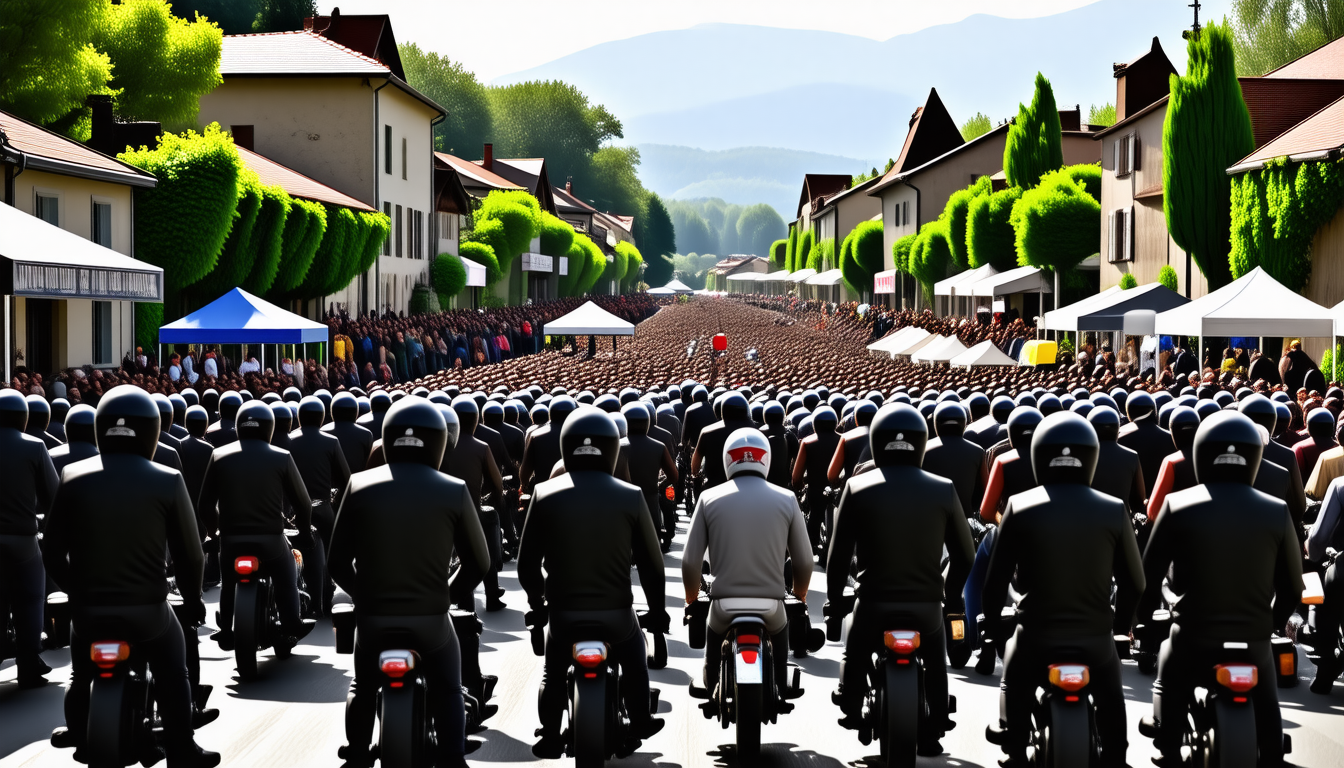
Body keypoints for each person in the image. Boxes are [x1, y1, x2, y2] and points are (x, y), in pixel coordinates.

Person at [42, 386, 219, 766]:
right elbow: (191, 555)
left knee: (79, 676)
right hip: (149, 613)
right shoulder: (168, 479)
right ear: (153, 431)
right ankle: (182, 749)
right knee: (174, 674)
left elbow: (51, 551)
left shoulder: (72, 476)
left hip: (89, 613)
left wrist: (78, 590)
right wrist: (191, 600)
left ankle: (77, 731)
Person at [328, 398, 490, 768]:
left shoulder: (359, 485)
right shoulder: (454, 489)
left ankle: (356, 756)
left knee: (362, 687)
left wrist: (365, 595)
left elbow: (336, 562)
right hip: (431, 621)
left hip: (373, 621)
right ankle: (452, 759)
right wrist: (445, 593)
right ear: (438, 442)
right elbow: (480, 562)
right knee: (450, 689)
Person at [1139, 412, 1302, 766]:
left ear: (1200, 454)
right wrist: (1270, 624)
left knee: (1169, 660)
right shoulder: (1277, 510)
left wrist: (1144, 619)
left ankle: (1167, 744)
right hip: (1254, 640)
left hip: (1192, 637)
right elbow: (1293, 586)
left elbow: (1148, 575)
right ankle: (1271, 750)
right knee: (1268, 701)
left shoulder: (1177, 505)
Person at [983, 412, 1144, 768]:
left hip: (1035, 637)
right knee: (1112, 696)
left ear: (1039, 455)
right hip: (1096, 639)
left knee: (1014, 676)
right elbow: (1136, 582)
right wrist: (1118, 629)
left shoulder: (1018, 507)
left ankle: (1014, 749)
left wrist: (994, 630)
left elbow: (995, 581)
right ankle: (1116, 757)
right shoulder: (1114, 509)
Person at [826, 404, 974, 755]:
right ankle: (937, 719)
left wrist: (834, 601)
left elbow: (838, 556)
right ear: (922, 441)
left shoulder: (857, 486)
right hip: (926, 607)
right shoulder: (943, 488)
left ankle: (851, 701)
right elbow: (965, 556)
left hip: (873, 604)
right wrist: (951, 598)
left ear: (876, 442)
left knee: (855, 647)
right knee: (937, 660)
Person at [518, 408, 667, 758]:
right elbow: (652, 563)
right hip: (616, 616)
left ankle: (551, 734)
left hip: (563, 617)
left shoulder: (543, 493)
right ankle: (641, 719)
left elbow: (526, 565)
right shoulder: (630, 495)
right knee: (635, 660)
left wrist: (537, 603)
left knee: (552, 672)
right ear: (613, 448)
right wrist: (657, 611)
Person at [683, 428, 812, 703]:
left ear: (728, 459)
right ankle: (779, 685)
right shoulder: (787, 499)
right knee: (781, 638)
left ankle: (712, 683)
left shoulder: (708, 498)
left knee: (711, 650)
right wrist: (799, 595)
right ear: (765, 459)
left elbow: (690, 562)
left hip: (722, 606)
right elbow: (803, 561)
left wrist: (692, 598)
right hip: (772, 606)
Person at [196, 401, 315, 651]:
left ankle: (226, 629)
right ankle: (292, 622)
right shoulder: (281, 457)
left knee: (228, 582)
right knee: (287, 576)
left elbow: (205, 504)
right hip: (271, 540)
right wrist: (304, 531)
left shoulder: (219, 455)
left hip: (231, 541)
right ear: (269, 427)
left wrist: (215, 531)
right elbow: (303, 502)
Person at [0, 390, 58, 689]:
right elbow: (53, 498)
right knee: (31, 598)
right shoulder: (35, 446)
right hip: (23, 539)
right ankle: (28, 664)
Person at [288, 397, 351, 615]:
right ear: (323, 416)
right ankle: (326, 591)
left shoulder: (289, 440)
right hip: (323, 507)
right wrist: (333, 501)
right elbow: (346, 479)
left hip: (294, 512)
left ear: (299, 416)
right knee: (333, 549)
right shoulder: (330, 442)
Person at [792, 405, 841, 561]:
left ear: (814, 424)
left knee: (813, 518)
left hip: (815, 491)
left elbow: (796, 476)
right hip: (837, 491)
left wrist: (800, 488)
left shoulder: (807, 442)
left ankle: (810, 548)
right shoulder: (842, 439)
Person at [691, 392, 755, 489]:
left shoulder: (707, 432)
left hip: (714, 488)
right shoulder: (756, 431)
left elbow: (695, 467)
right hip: (749, 487)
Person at [322, 392, 374, 474]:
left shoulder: (323, 432)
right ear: (355, 411)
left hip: (331, 483)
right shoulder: (365, 434)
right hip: (357, 481)